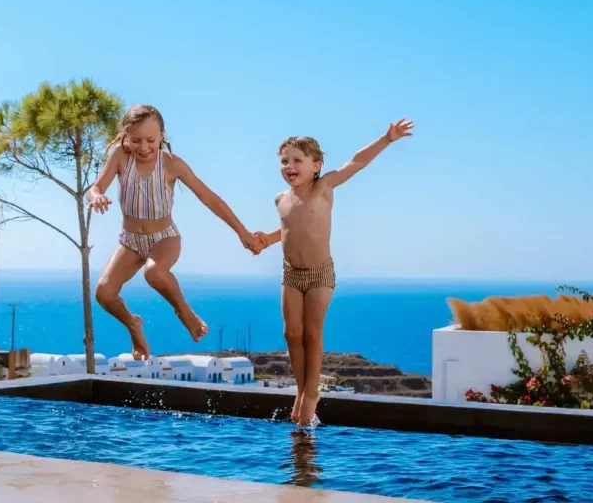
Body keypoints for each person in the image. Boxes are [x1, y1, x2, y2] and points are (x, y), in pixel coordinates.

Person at [255, 118, 415, 426]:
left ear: (316, 165)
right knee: (292, 334)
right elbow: (289, 228)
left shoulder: (324, 187)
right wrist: (267, 239)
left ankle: (311, 392)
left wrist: (387, 138)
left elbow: (356, 162)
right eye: (284, 161)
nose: (290, 166)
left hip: (319, 274)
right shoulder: (280, 199)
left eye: (297, 160)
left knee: (312, 333)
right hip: (291, 273)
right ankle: (301, 390)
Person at [87, 104, 263, 361]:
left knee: (154, 272)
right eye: (135, 140)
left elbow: (209, 198)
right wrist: (97, 195)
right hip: (130, 241)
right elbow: (96, 186)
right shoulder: (120, 157)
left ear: (162, 136)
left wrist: (243, 233)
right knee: (104, 292)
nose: (144, 147)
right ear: (125, 136)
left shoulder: (171, 164)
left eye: (151, 140)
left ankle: (184, 312)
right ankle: (133, 325)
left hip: (164, 238)